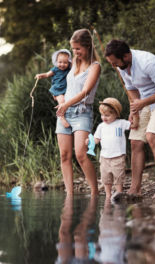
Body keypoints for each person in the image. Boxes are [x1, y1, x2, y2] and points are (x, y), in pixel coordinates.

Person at [105, 39, 155, 199]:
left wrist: (142, 103)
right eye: (111, 63)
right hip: (144, 102)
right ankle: (135, 189)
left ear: (126, 56)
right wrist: (134, 111)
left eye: (115, 62)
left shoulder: (148, 62)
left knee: (152, 137)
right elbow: (131, 89)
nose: (113, 66)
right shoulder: (122, 66)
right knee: (135, 142)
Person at [55, 29, 101, 196]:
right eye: (73, 49)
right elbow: (59, 78)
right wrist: (59, 98)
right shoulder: (73, 61)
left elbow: (85, 92)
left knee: (81, 154)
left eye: (78, 49)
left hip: (82, 112)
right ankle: (69, 195)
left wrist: (66, 104)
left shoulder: (95, 66)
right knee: (64, 155)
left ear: (87, 46)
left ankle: (95, 193)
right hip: (64, 112)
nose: (74, 52)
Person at [87, 97, 131, 202]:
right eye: (102, 115)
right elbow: (97, 139)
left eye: (107, 115)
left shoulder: (121, 123)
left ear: (116, 114)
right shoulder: (101, 126)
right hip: (105, 156)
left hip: (118, 155)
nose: (104, 118)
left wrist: (133, 114)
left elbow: (132, 125)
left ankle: (119, 192)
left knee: (118, 175)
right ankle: (108, 194)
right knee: (105, 177)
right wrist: (90, 141)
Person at [35, 49, 72, 127]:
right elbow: (47, 74)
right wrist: (40, 75)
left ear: (69, 62)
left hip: (66, 89)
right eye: (60, 62)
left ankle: (66, 115)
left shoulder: (69, 69)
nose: (62, 64)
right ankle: (61, 116)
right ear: (56, 62)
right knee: (62, 101)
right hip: (58, 89)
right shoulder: (55, 69)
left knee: (67, 101)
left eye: (65, 62)